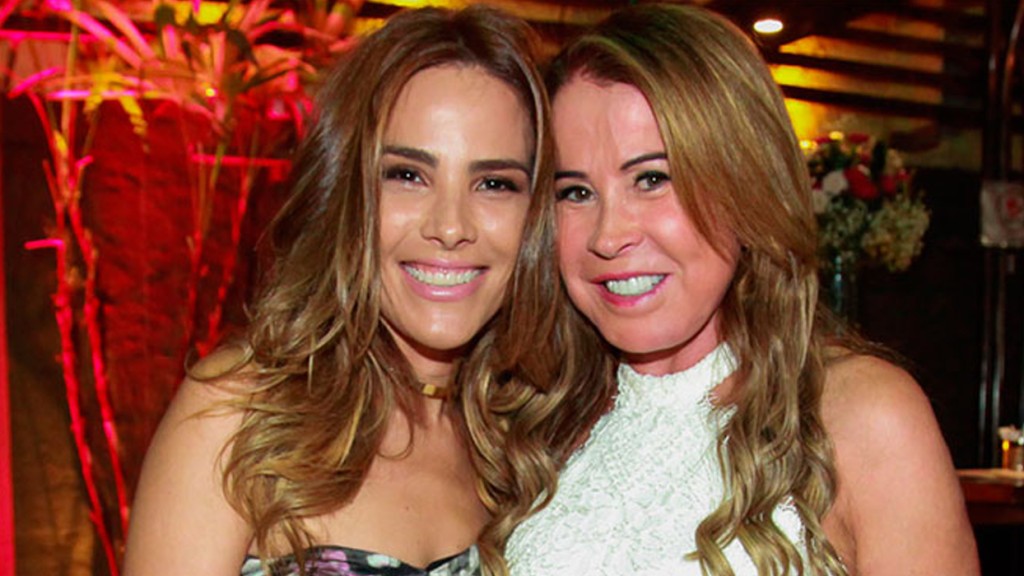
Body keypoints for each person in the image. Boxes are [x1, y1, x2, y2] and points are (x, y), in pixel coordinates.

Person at [504, 4, 979, 575]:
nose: (608, 235)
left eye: (653, 179)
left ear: (744, 185)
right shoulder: (536, 419)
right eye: (575, 193)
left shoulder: (863, 416)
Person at [123, 6, 560, 575]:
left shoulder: (525, 443)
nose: (451, 226)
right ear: (345, 191)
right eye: (407, 175)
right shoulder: (241, 414)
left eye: (495, 183)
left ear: (537, 215)